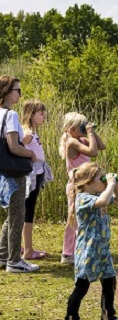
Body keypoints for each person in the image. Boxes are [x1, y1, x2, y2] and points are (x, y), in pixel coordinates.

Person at [63, 162, 118, 320]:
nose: (104, 180)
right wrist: (111, 184)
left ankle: (108, 316)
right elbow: (103, 200)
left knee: (109, 281)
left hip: (103, 250)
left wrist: (115, 183)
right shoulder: (83, 198)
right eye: (100, 177)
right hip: (88, 251)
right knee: (82, 285)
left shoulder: (99, 193)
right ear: (88, 182)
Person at [0, 76, 39, 273]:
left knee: (11, 213)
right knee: (17, 214)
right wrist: (30, 153)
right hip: (12, 171)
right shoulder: (11, 115)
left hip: (1, 171)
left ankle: (2, 255)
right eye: (17, 90)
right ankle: (14, 261)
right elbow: (13, 146)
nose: (19, 94)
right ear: (7, 91)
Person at [59, 112, 106, 264]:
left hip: (86, 186)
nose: (85, 128)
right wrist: (90, 133)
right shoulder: (72, 142)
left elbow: (101, 147)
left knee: (85, 218)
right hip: (76, 186)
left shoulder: (82, 140)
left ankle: (81, 248)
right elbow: (93, 152)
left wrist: (92, 131)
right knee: (75, 218)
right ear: (71, 129)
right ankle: (68, 252)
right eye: (82, 126)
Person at [21, 99, 53, 260]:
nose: (44, 116)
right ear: (31, 115)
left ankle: (22, 246)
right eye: (41, 114)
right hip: (31, 175)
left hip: (38, 172)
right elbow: (15, 146)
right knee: (28, 211)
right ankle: (28, 250)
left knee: (26, 210)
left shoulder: (32, 132)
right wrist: (30, 155)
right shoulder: (27, 133)